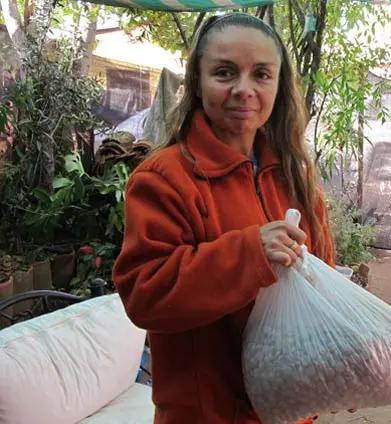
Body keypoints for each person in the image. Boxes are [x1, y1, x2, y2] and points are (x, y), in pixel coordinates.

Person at [113, 12, 346, 424]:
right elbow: (144, 296)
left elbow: (322, 279)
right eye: (224, 73)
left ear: (278, 86)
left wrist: (343, 353)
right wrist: (250, 254)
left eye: (261, 74)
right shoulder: (165, 179)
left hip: (292, 409)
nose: (244, 90)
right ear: (199, 83)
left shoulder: (296, 175)